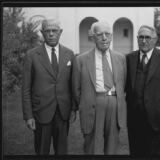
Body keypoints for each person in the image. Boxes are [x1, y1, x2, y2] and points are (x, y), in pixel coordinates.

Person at [125, 25, 160, 158]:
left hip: (156, 118)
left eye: (147, 37)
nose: (144, 40)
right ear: (137, 39)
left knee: (155, 155)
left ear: (155, 39)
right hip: (134, 118)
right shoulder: (129, 58)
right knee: (136, 153)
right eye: (141, 37)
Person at [22, 19, 76, 155]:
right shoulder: (32, 55)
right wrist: (28, 115)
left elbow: (73, 84)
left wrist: (74, 108)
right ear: (42, 33)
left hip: (63, 112)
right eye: (47, 31)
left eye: (54, 31)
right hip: (41, 112)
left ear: (60, 32)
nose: (51, 34)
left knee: (62, 151)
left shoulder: (69, 54)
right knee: (41, 151)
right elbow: (26, 88)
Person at [72, 21, 127, 154]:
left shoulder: (121, 58)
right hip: (93, 102)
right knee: (92, 146)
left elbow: (123, 84)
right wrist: (85, 102)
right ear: (92, 37)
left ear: (111, 36)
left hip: (114, 104)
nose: (104, 38)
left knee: (112, 145)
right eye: (99, 34)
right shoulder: (81, 60)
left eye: (107, 34)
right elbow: (76, 89)